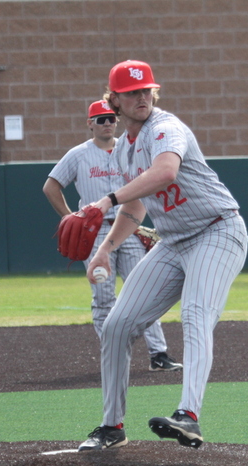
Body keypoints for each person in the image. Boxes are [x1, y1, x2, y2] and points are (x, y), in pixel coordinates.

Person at [77, 59, 248, 451]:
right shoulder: (123, 152)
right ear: (114, 101)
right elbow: (136, 209)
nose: (141, 97)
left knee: (195, 313)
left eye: (145, 90)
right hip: (173, 242)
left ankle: (189, 417)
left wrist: (106, 199)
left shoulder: (165, 128)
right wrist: (105, 249)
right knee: (118, 324)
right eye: (131, 92)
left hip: (217, 231)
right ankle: (111, 427)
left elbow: (167, 172)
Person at [43, 99, 182, 373]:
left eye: (110, 118)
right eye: (100, 119)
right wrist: (68, 217)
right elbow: (50, 186)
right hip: (94, 232)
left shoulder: (129, 149)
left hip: (128, 227)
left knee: (143, 291)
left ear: (116, 120)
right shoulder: (79, 154)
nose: (107, 123)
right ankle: (113, 356)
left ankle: (159, 354)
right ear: (90, 123)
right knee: (104, 295)